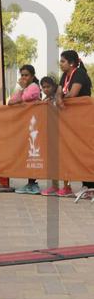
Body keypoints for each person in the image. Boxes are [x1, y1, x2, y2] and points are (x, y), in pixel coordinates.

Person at [56, 49, 94, 197]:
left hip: (84, 118)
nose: (60, 64)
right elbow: (59, 92)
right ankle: (86, 186)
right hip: (72, 120)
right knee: (77, 151)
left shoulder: (79, 73)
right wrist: (59, 97)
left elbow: (73, 94)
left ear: (71, 63)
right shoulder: (64, 75)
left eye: (63, 61)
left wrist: (61, 98)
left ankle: (90, 186)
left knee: (86, 150)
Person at [8, 65, 41, 195]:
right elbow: (11, 101)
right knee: (27, 154)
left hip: (35, 126)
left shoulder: (34, 87)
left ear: (32, 76)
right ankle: (30, 183)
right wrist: (21, 91)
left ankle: (33, 184)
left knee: (34, 154)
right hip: (26, 125)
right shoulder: (23, 89)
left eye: (26, 75)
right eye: (22, 75)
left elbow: (25, 98)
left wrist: (22, 91)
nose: (23, 77)